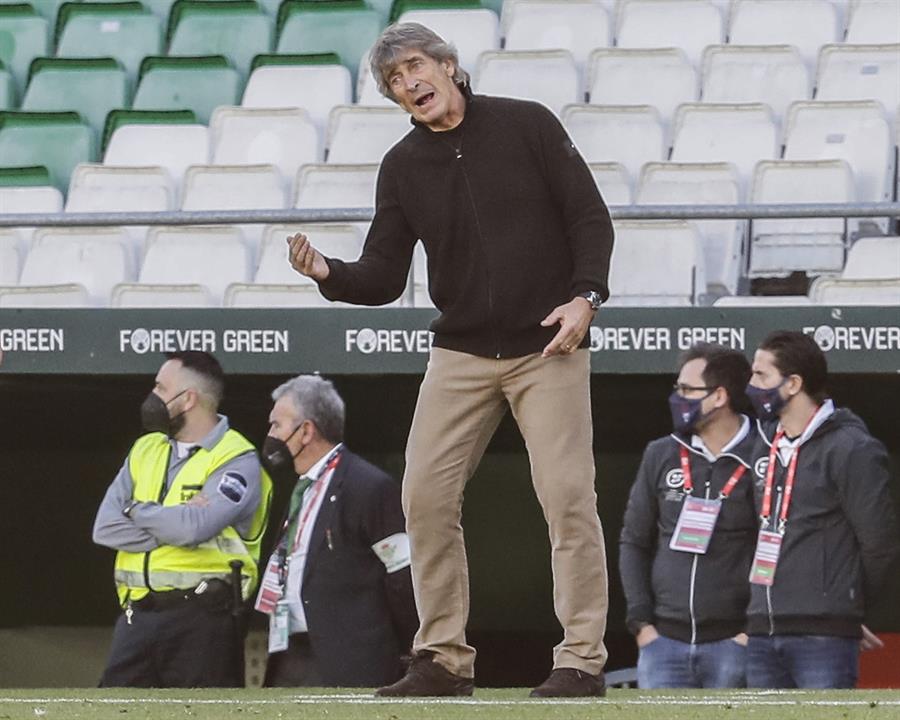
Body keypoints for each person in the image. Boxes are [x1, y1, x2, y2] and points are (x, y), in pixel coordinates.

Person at [287, 23, 614, 697]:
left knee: (567, 499)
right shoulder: (402, 165)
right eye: (393, 82)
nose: (407, 84)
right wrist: (328, 272)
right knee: (423, 497)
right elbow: (381, 276)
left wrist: (586, 298)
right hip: (460, 351)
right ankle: (442, 659)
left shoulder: (527, 125)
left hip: (547, 343)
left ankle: (580, 659)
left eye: (413, 68)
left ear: (448, 65)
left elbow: (589, 218)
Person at [93, 351, 272, 687]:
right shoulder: (146, 448)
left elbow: (193, 529)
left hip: (203, 618)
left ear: (188, 398)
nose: (153, 397)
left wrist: (134, 510)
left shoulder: (236, 457)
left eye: (161, 388)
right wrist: (172, 521)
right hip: (138, 615)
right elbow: (104, 527)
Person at [744, 330, 900, 688]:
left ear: (794, 383)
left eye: (761, 375)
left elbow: (879, 543)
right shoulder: (765, 445)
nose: (751, 385)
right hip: (762, 630)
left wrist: (846, 605)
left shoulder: (851, 447)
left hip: (823, 636)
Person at [255, 374, 417, 687]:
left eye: (277, 425)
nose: (270, 434)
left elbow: (403, 574)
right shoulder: (301, 488)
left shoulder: (368, 485)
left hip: (350, 661)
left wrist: (413, 650)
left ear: (306, 431)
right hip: (289, 655)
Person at [620, 343, 758, 688]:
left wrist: (749, 631)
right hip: (662, 644)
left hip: (736, 644)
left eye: (687, 389)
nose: (677, 398)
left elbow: (779, 546)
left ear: (719, 396)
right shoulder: (661, 453)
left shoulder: (764, 454)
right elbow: (634, 540)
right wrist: (642, 625)